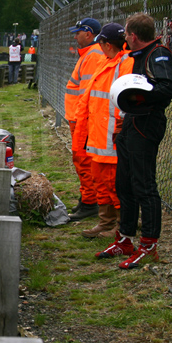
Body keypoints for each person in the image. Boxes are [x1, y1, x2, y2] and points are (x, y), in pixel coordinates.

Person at [95, 13, 172, 269]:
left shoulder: (158, 54)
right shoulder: (140, 55)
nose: (124, 42)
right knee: (125, 185)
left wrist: (140, 97)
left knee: (144, 186)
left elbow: (169, 87)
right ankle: (125, 239)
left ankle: (149, 245)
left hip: (147, 122)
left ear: (133, 36)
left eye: (126, 36)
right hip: (132, 122)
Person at [73, 23, 133, 238]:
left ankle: (121, 225)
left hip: (111, 136)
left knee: (113, 183)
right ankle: (105, 222)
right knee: (100, 180)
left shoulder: (125, 64)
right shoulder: (107, 62)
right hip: (98, 134)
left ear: (107, 44)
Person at [64, 18, 104, 221]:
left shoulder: (93, 56)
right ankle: (87, 199)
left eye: (77, 32)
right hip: (79, 118)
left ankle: (90, 202)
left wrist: (81, 119)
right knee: (82, 160)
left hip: (83, 119)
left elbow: (87, 93)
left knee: (84, 160)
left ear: (88, 33)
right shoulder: (90, 54)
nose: (75, 36)